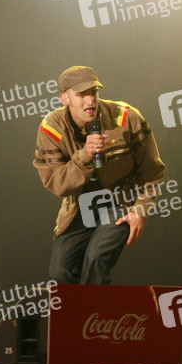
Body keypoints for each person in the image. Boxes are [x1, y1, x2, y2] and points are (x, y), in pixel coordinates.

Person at [34, 66, 166, 285]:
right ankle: (80, 308)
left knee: (96, 260)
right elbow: (57, 184)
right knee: (60, 271)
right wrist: (85, 155)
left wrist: (140, 210)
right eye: (81, 95)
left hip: (119, 201)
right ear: (65, 98)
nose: (90, 101)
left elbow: (153, 171)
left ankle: (95, 305)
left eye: (93, 93)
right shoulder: (52, 128)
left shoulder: (126, 118)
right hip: (80, 206)